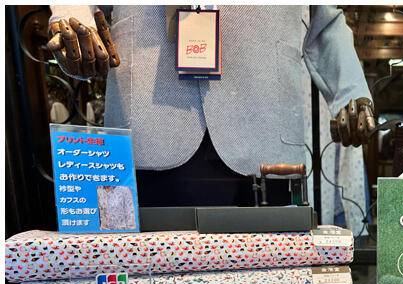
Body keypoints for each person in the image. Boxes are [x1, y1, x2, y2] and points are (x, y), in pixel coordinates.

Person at [46, 5, 374, 219]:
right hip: (152, 122)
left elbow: (325, 21)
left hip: (265, 127)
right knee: (154, 280)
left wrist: (351, 92)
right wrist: (70, 17)